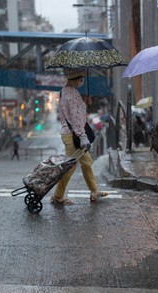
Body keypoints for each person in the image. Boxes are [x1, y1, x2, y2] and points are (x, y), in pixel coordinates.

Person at [50, 68, 108, 205]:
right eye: (81, 79)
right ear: (76, 79)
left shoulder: (65, 91)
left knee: (86, 163)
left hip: (70, 134)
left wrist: (85, 104)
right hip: (74, 136)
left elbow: (74, 114)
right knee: (70, 167)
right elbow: (76, 119)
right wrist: (82, 137)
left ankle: (94, 191)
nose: (82, 81)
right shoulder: (72, 95)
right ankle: (58, 196)